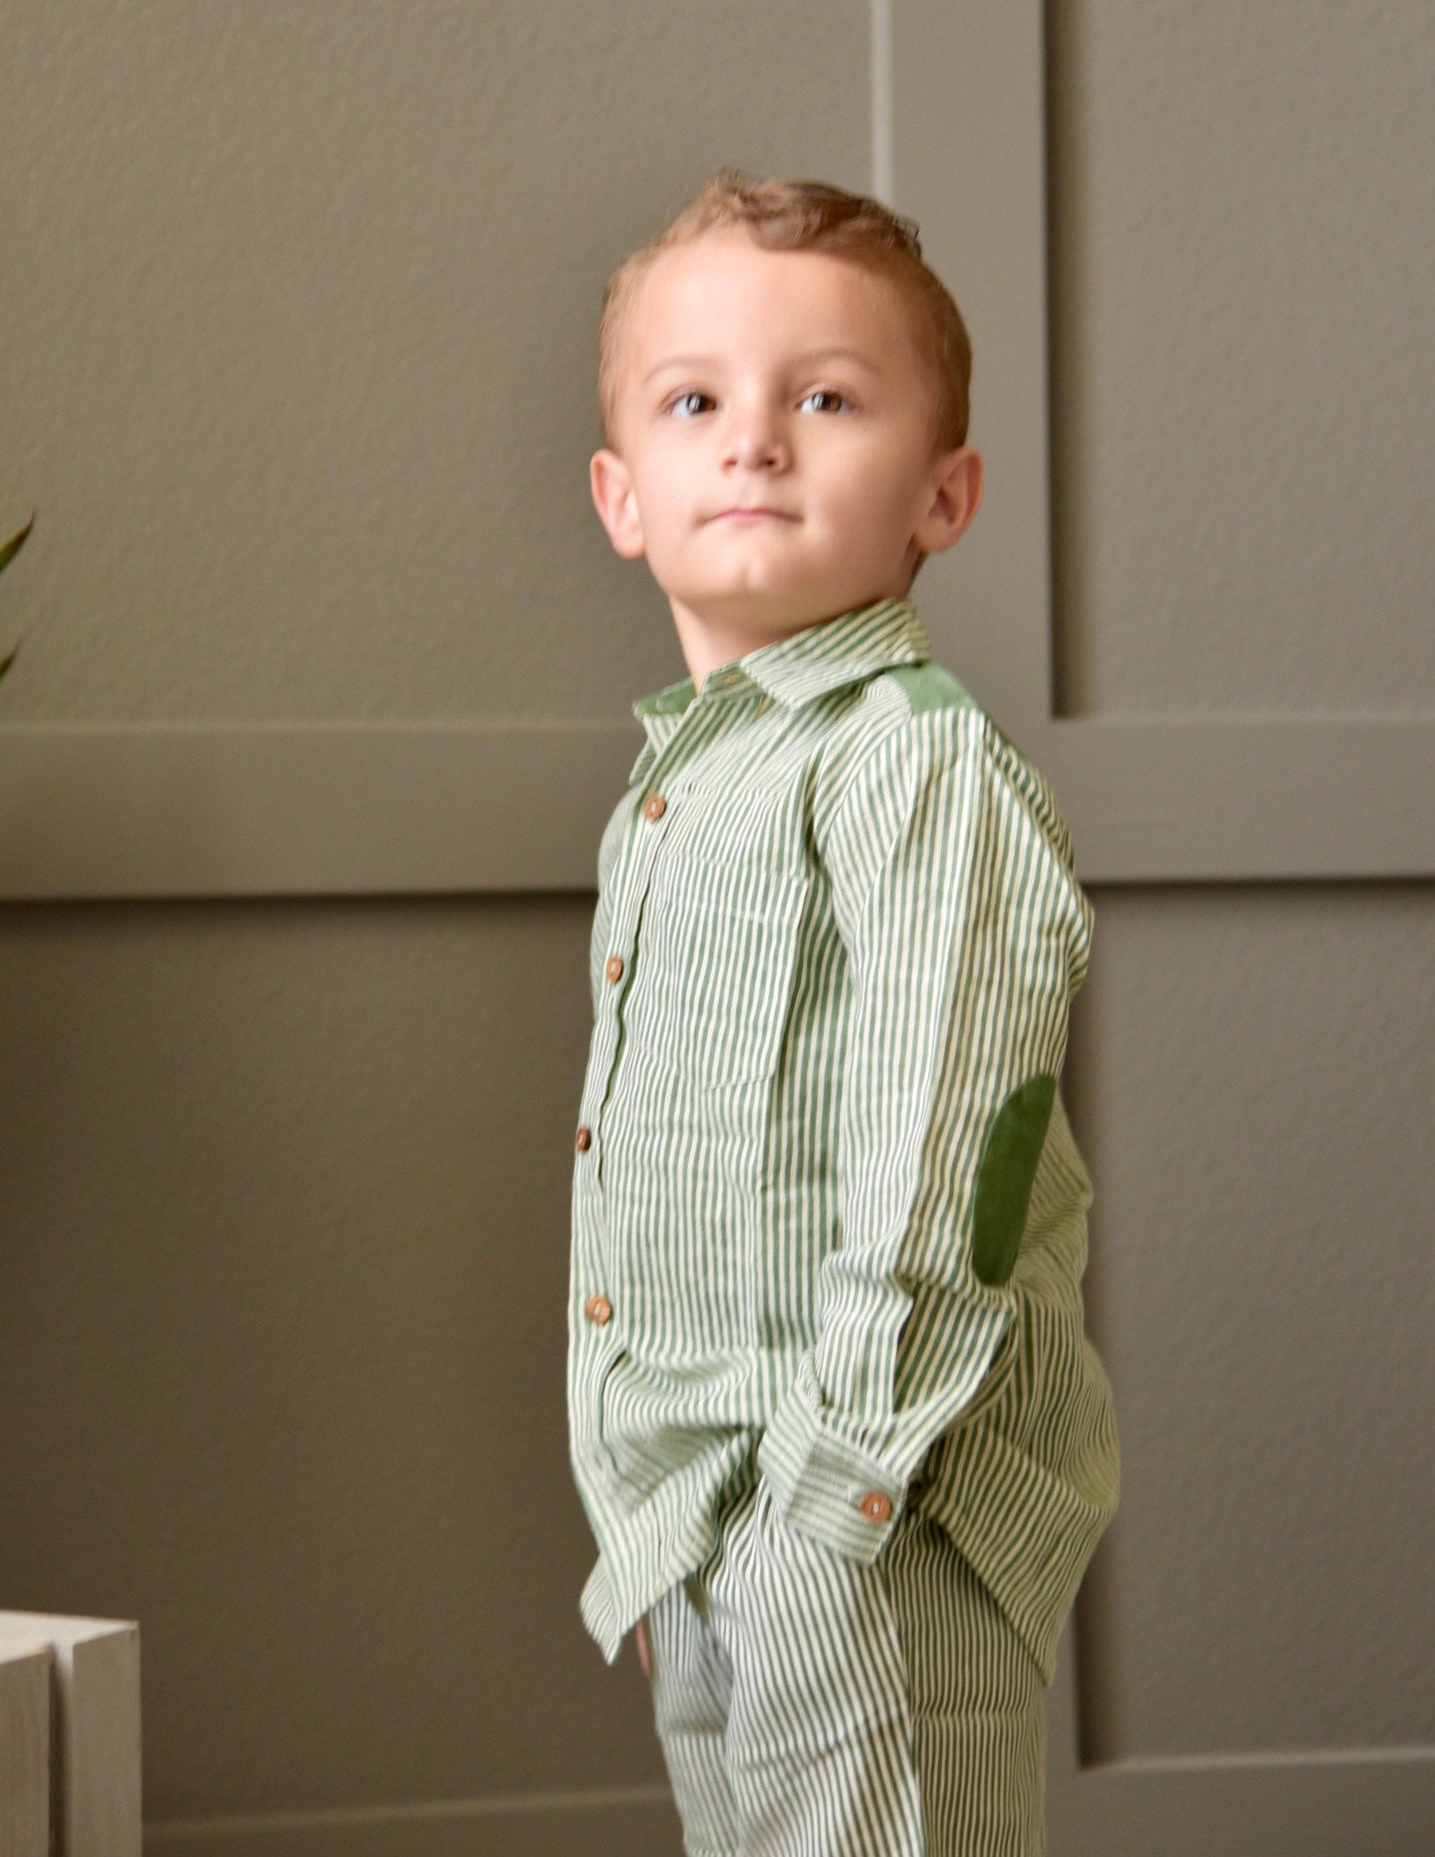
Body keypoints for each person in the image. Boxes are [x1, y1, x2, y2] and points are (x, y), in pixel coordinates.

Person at [567, 170, 1118, 1856]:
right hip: (704, 1519)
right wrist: (677, 1527)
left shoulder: (913, 766)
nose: (754, 441)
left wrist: (830, 1501)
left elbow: (945, 1161)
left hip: (870, 1523)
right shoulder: (675, 794)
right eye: (695, 400)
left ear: (942, 494)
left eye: (824, 396)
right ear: (620, 495)